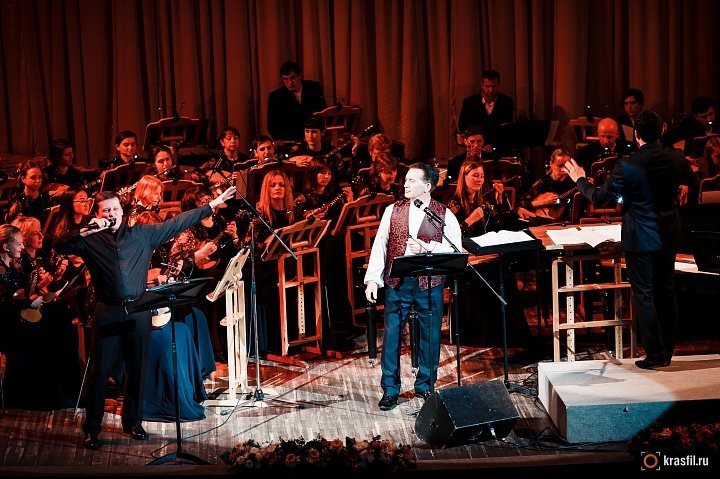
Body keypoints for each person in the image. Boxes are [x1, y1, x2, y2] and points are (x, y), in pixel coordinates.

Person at [52, 184, 237, 450]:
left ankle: (133, 422)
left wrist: (212, 204)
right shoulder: (90, 241)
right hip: (107, 312)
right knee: (99, 373)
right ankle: (92, 429)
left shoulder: (142, 234)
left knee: (137, 368)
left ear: (122, 211)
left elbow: (178, 222)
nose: (111, 214)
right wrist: (87, 229)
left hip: (139, 311)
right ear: (98, 214)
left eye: (115, 208)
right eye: (105, 210)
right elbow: (59, 244)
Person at [564, 109, 699, 370]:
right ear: (661, 130)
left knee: (644, 294)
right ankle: (667, 352)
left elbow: (599, 197)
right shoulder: (676, 157)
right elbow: (692, 181)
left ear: (636, 134)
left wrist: (579, 179)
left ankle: (655, 355)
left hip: (640, 239)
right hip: (668, 235)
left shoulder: (627, 165)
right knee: (666, 291)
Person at [364, 163, 462, 411]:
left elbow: (455, 249)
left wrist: (428, 248)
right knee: (392, 336)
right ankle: (390, 390)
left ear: (427, 186)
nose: (405, 184)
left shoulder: (443, 214)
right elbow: (380, 245)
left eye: (412, 180)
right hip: (398, 282)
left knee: (430, 336)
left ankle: (425, 386)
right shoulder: (392, 210)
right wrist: (373, 279)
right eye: (406, 180)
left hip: (429, 283)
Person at [236, 170, 296, 357]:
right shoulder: (260, 214)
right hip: (263, 266)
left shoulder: (291, 213)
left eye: (281, 185)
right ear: (266, 189)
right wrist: (269, 241)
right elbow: (248, 245)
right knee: (275, 284)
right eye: (273, 185)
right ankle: (276, 343)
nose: (277, 188)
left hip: (284, 262)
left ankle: (297, 336)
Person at [267, 61, 327, 142]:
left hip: (315, 138)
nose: (290, 83)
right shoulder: (275, 97)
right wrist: (287, 144)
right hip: (291, 140)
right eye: (285, 79)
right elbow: (272, 126)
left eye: (293, 78)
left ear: (300, 75)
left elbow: (323, 112)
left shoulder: (314, 88)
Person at [457, 69, 515, 154]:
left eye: (494, 87)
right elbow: (461, 128)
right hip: (476, 151)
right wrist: (460, 139)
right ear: (482, 85)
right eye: (487, 87)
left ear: (498, 85)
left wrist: (493, 146)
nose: (491, 90)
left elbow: (507, 131)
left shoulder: (506, 102)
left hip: (500, 151)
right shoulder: (469, 103)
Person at [515, 148, 577, 222]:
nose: (563, 169)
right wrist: (544, 201)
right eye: (560, 166)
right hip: (543, 223)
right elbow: (518, 206)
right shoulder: (543, 183)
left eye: (566, 166)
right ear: (551, 164)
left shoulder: (573, 183)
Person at [447, 157, 503, 237]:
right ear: (464, 177)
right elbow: (450, 235)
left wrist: (499, 200)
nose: (479, 180)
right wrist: (470, 220)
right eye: (475, 176)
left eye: (482, 176)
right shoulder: (454, 204)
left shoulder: (482, 202)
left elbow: (497, 221)